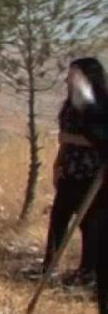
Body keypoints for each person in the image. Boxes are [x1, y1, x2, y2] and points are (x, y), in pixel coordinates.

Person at [60, 57, 108, 314]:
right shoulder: (79, 107)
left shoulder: (98, 106)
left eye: (73, 77)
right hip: (88, 183)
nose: (68, 81)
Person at [42, 61, 103, 287]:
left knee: (89, 223)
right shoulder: (70, 105)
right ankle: (48, 266)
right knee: (58, 217)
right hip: (70, 170)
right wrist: (58, 163)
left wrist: (70, 139)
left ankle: (88, 272)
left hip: (92, 174)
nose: (67, 79)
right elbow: (64, 138)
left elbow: (100, 140)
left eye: (72, 75)